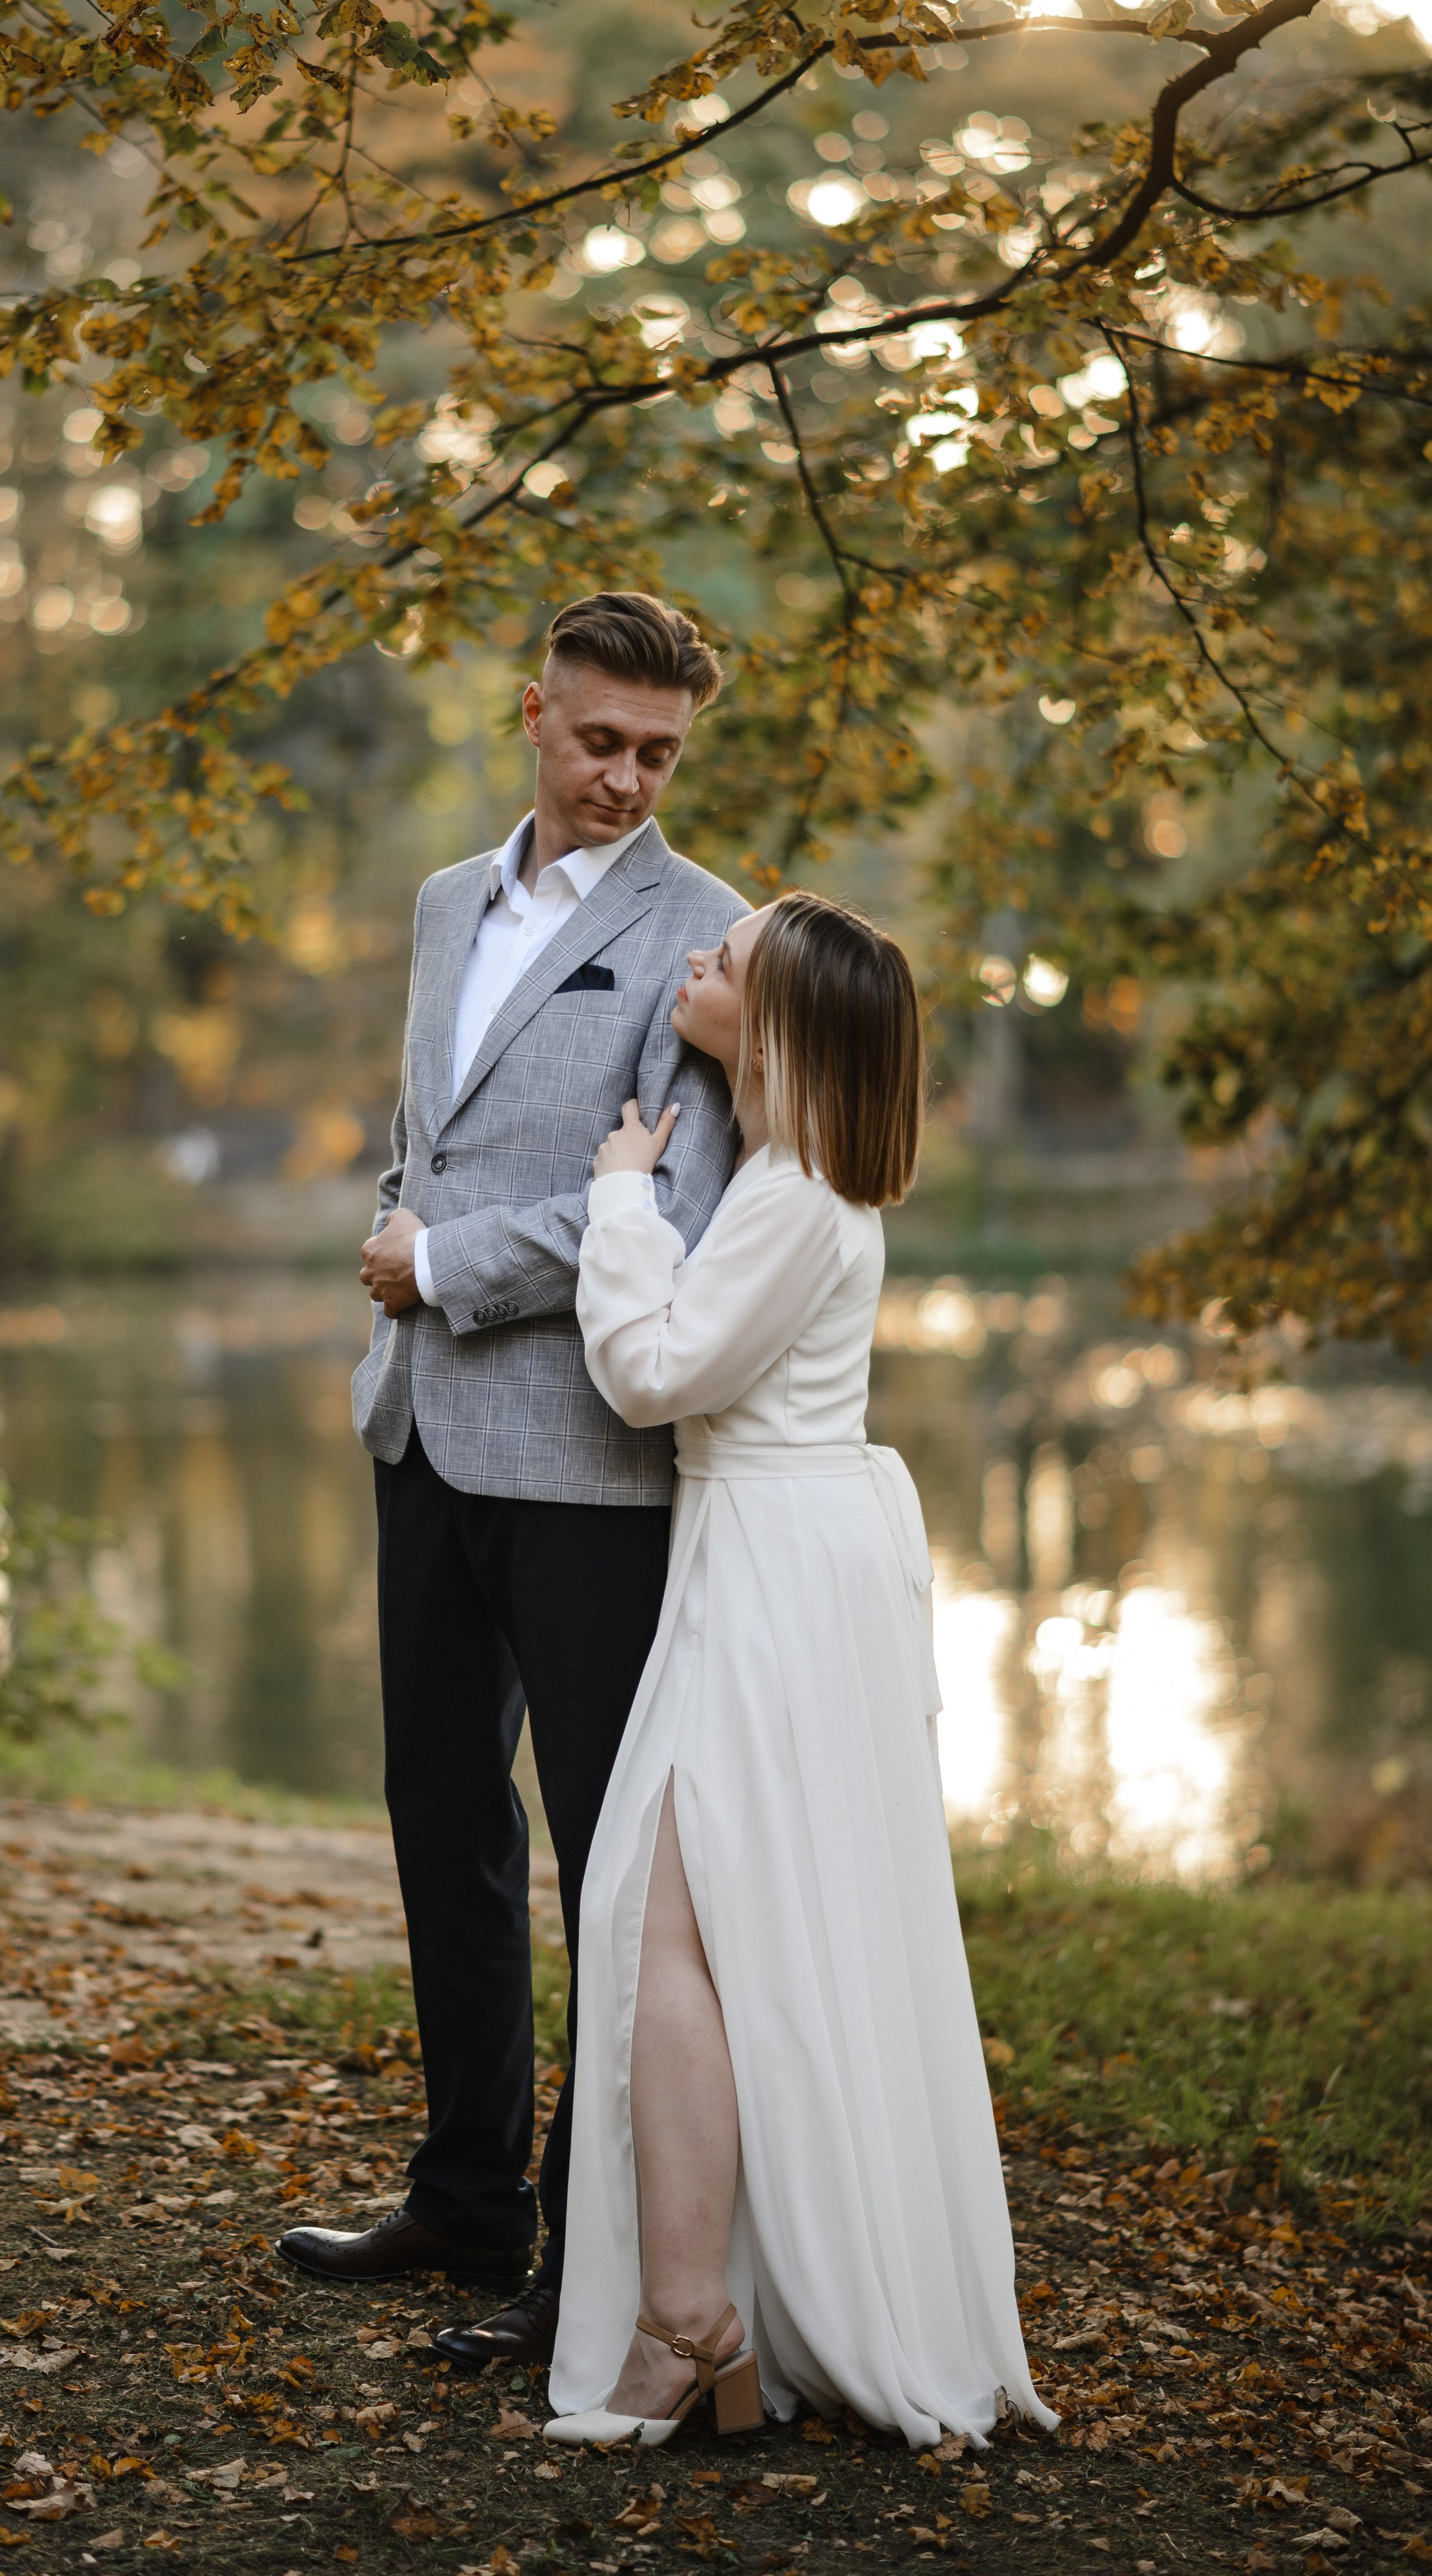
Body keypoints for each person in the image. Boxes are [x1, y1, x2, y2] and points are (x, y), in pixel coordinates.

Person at [276, 591, 750, 2373]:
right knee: (441, 1822)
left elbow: (668, 1203)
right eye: (600, 739)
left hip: (588, 1462)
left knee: (605, 1870)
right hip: (417, 1428)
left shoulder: (709, 934)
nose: (626, 777)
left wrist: (440, 1263)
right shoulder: (438, 904)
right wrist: (389, 1234)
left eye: (658, 753)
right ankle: (467, 2200)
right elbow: (429, 1133)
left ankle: (595, 2262)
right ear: (532, 714)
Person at [544, 892, 1058, 2451]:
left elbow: (651, 1374)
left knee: (660, 1922)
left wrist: (620, 1202)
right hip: (772, 1554)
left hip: (771, 1570)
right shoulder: (793, 1177)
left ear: (774, 1029)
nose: (700, 957)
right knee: (699, 1927)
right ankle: (702, 2315)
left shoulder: (793, 1199)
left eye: (732, 959)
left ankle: (687, 2321)